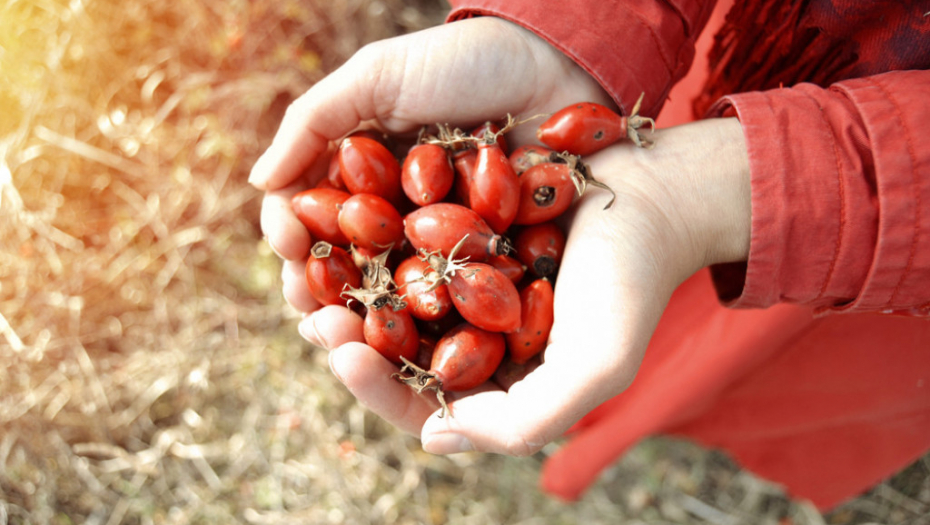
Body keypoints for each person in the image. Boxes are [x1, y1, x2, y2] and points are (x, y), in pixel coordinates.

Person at [248, 0, 930, 510]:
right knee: (655, 340)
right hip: (718, 62)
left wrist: (738, 193)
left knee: (765, 364)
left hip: (874, 244)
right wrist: (565, 30)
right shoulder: (484, 249)